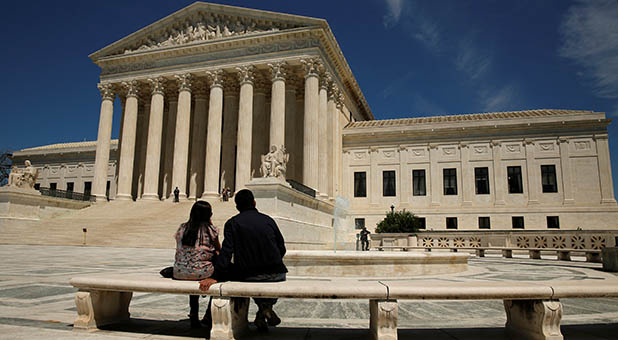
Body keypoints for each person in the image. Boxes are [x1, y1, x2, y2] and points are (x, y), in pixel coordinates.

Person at [199, 189, 287, 332]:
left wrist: (215, 277)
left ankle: (209, 317)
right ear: (254, 202)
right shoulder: (269, 220)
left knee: (238, 275)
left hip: (249, 274)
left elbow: (226, 253)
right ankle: (264, 310)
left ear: (237, 206)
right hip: (278, 273)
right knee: (259, 277)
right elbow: (281, 248)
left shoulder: (233, 223)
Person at [173, 201, 220, 329]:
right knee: (219, 275)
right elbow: (218, 249)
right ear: (209, 215)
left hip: (179, 272)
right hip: (202, 272)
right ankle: (208, 315)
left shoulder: (182, 228)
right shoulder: (211, 230)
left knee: (192, 268)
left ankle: (193, 313)